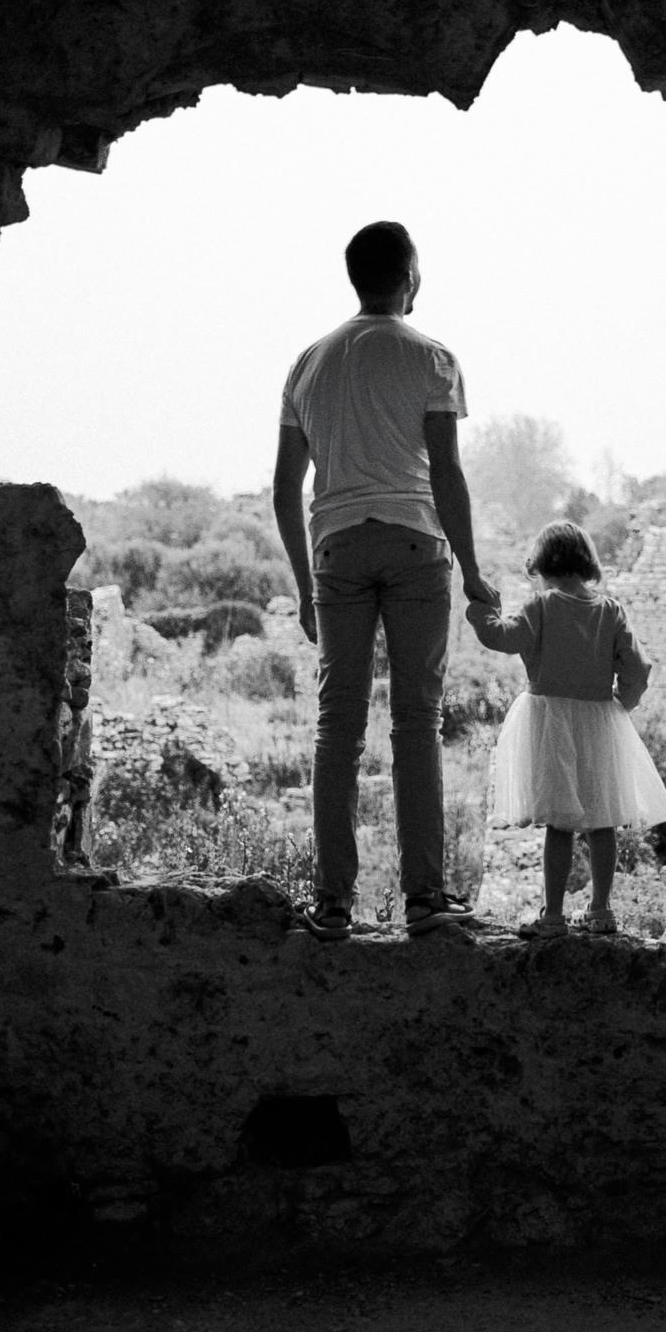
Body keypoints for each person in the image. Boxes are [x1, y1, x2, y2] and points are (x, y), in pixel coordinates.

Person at [274, 221, 500, 940]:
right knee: (416, 725)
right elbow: (447, 472)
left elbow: (284, 490)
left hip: (335, 549)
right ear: (410, 276)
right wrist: (472, 570)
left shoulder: (308, 364)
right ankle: (425, 901)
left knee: (337, 728)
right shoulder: (432, 358)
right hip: (413, 544)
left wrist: (304, 584)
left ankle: (332, 905)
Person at [464, 520, 666, 937]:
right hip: (600, 722)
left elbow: (503, 638)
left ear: (543, 564)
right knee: (603, 820)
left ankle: (554, 916)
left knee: (559, 823)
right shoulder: (611, 610)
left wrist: (480, 609)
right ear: (586, 563)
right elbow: (639, 666)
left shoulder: (541, 607)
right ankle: (601, 910)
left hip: (550, 722)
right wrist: (623, 704)